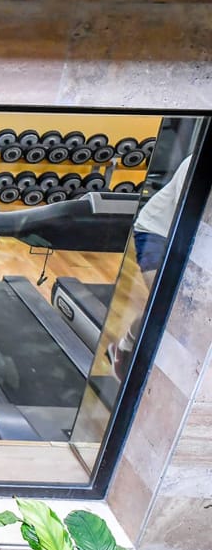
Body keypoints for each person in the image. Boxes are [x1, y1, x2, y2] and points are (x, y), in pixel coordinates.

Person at [108, 153, 192, 380]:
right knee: (164, 302)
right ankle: (124, 348)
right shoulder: (195, 164)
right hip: (156, 231)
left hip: (190, 240)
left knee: (177, 308)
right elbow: (188, 215)